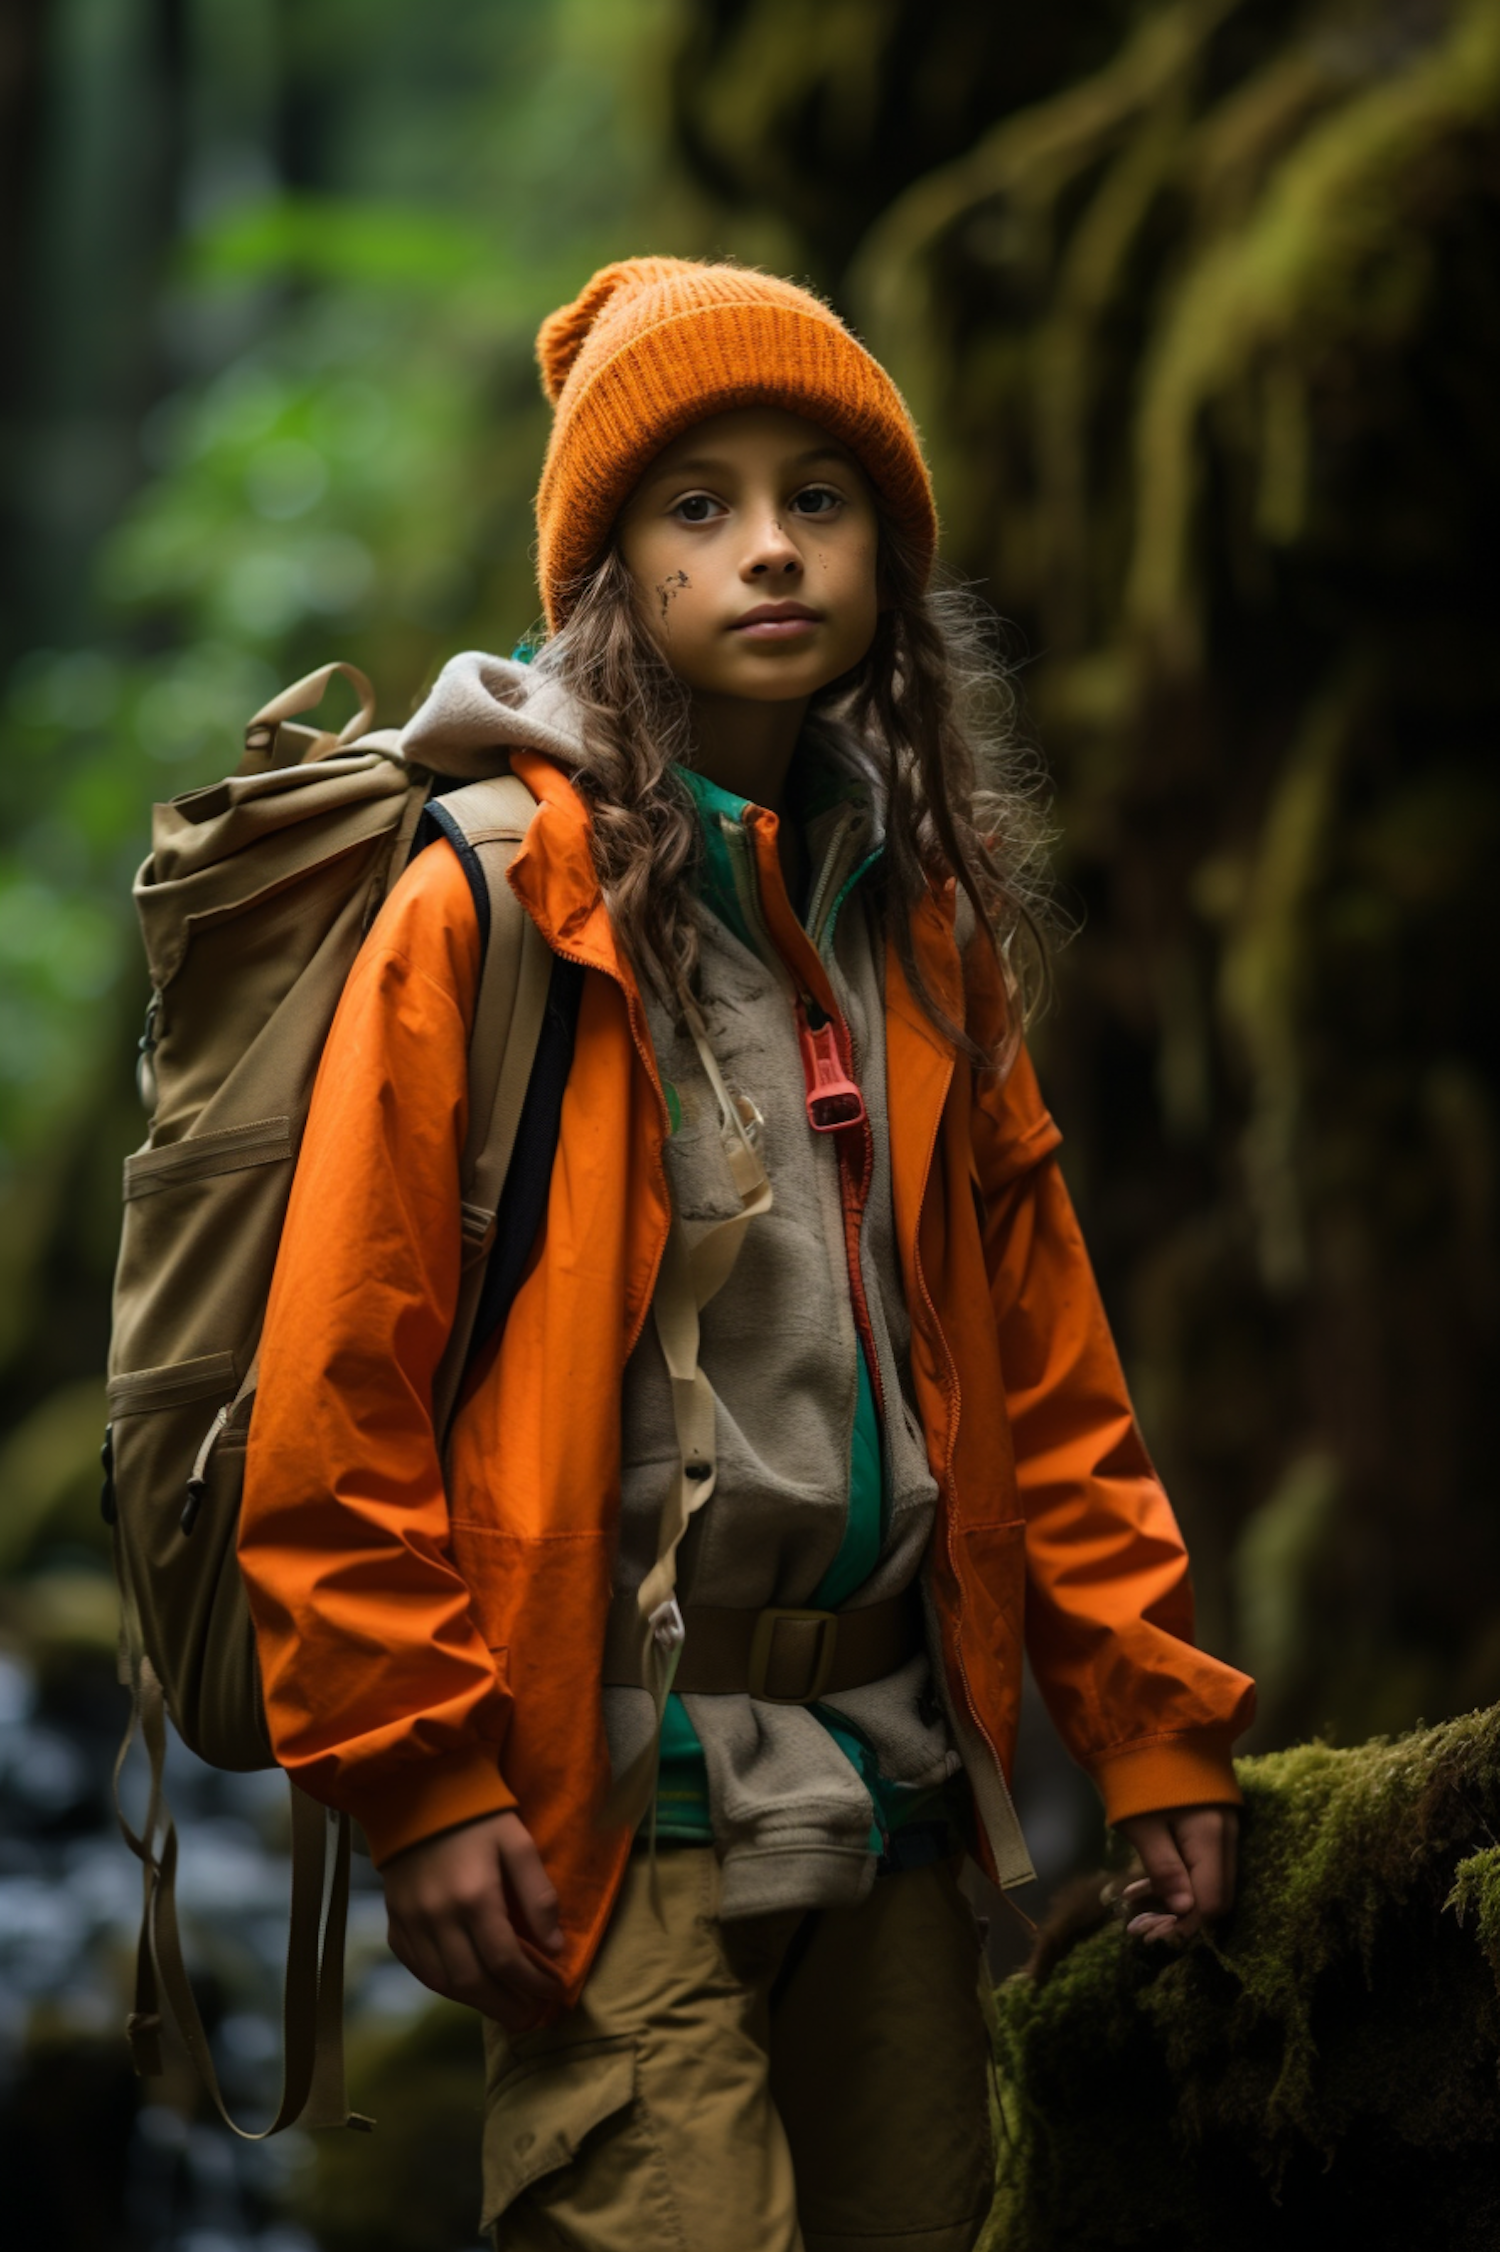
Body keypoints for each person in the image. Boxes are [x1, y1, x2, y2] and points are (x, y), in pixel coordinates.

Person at [239, 257, 1255, 2252]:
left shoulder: (923, 930)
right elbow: (335, 1386)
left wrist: (1147, 1728)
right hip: (601, 1813)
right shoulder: (488, 913)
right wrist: (421, 1781)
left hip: (883, 1800)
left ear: (887, 547)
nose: (770, 547)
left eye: (822, 494)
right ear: (610, 567)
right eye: (697, 505)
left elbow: (1049, 1383)